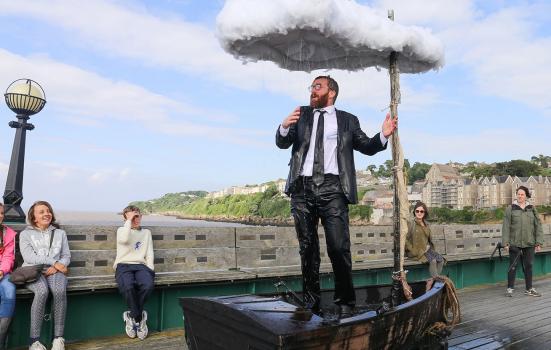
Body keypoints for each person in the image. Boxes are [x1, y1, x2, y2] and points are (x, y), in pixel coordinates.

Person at [275, 75, 397, 317]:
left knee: (339, 248)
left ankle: (346, 301)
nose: (312, 90)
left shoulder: (348, 120)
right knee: (307, 248)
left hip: (333, 189)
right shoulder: (302, 114)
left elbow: (367, 146)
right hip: (301, 188)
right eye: (311, 86)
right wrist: (284, 126)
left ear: (331, 92)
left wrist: (382, 135)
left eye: (317, 86)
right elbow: (282, 143)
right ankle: (311, 302)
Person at [19, 201, 70, 350]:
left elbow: (66, 255)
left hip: (55, 271)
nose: (46, 213)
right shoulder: (26, 234)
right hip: (33, 270)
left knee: (59, 291)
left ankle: (58, 338)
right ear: (34, 217)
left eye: (48, 211)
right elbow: (29, 257)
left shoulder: (60, 233)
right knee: (42, 292)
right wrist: (53, 262)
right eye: (41, 212)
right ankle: (34, 341)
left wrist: (56, 267)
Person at [114, 206, 154, 340]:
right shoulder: (121, 231)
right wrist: (128, 221)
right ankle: (140, 318)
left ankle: (132, 316)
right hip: (123, 265)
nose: (136, 219)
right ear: (125, 219)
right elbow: (124, 240)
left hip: (141, 266)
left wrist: (150, 270)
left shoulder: (146, 233)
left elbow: (149, 253)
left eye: (138, 216)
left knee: (147, 285)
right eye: (132, 217)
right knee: (128, 286)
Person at [502, 186, 543, 297]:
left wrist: (538, 242)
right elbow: (506, 226)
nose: (520, 196)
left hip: (529, 242)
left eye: (522, 194)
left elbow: (538, 225)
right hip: (514, 242)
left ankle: (529, 289)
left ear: (526, 196)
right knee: (513, 265)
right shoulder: (510, 208)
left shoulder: (532, 208)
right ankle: (510, 289)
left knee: (529, 265)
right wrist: (505, 242)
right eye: (518, 194)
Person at [405, 202, 444, 277]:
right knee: (433, 261)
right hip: (416, 252)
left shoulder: (426, 224)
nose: (419, 213)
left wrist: (429, 247)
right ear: (414, 212)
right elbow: (405, 240)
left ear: (424, 213)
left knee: (441, 260)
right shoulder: (411, 224)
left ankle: (434, 280)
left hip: (426, 250)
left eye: (421, 211)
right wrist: (412, 250)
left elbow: (428, 239)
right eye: (417, 211)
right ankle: (436, 279)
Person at [0, 204, 16, 350]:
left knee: (9, 290)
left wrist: (1, 271)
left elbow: (8, 257)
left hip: (2, 273)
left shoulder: (8, 233)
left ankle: (1, 340)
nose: (0, 216)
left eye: (1, 213)